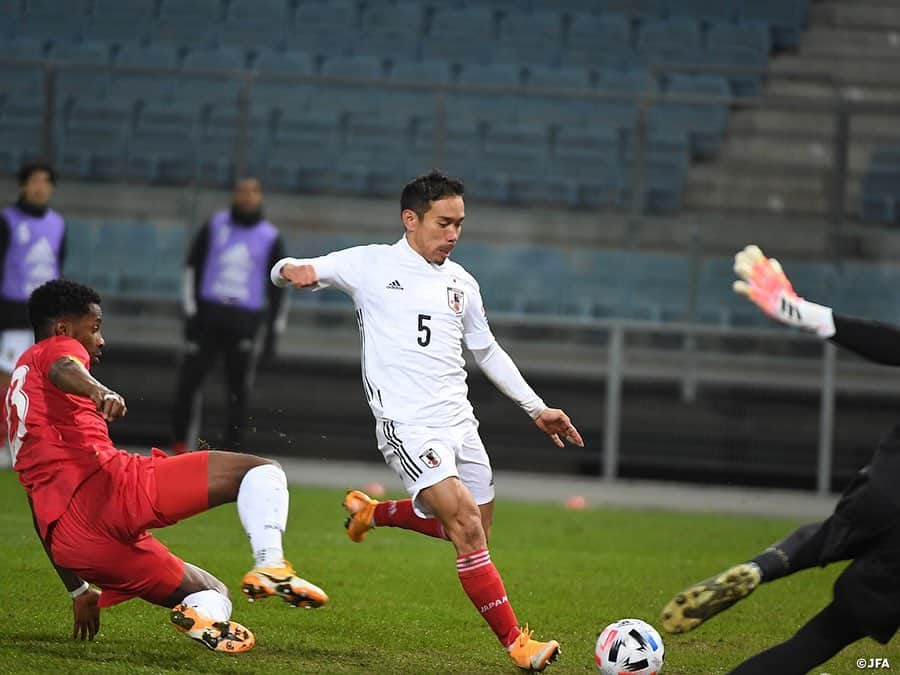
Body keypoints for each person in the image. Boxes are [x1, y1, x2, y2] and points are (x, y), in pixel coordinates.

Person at [271, 169, 583, 672]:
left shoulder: (462, 282)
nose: (453, 234)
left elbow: (487, 349)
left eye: (460, 223)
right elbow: (286, 266)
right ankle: (518, 646)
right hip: (407, 424)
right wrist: (291, 272)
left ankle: (373, 513)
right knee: (466, 530)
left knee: (470, 528)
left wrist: (536, 407)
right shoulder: (371, 263)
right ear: (410, 219)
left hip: (460, 422)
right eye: (444, 223)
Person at [5, 279, 327, 652]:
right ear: (63, 328)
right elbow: (65, 364)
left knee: (211, 591)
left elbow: (36, 505)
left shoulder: (21, 384)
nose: (101, 340)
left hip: (72, 544)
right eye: (94, 329)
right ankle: (271, 563)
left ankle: (203, 620)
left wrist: (78, 590)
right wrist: (100, 391)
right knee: (261, 471)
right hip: (109, 492)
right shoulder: (56, 349)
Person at [660, 245, 900, 674]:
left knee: (828, 534)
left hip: (886, 486)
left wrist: (800, 311)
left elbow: (889, 342)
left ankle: (762, 567)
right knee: (820, 639)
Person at [172, 176, 287, 454]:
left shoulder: (270, 237)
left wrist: (273, 331)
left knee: (238, 392)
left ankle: (231, 449)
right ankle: (180, 446)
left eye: (253, 191)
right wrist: (190, 314)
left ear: (260, 196)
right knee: (189, 382)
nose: (247, 197)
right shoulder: (214, 226)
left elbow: (279, 288)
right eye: (242, 191)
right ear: (234, 195)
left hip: (243, 321)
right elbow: (191, 269)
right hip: (208, 318)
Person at [1, 161, 66, 450]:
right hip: (13, 310)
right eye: (35, 181)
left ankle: (35, 442)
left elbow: (58, 265)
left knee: (42, 377)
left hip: (45, 313)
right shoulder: (7, 221)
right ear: (24, 185)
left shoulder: (58, 224)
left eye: (46, 182)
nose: (40, 187)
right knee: (8, 373)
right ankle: (3, 441)